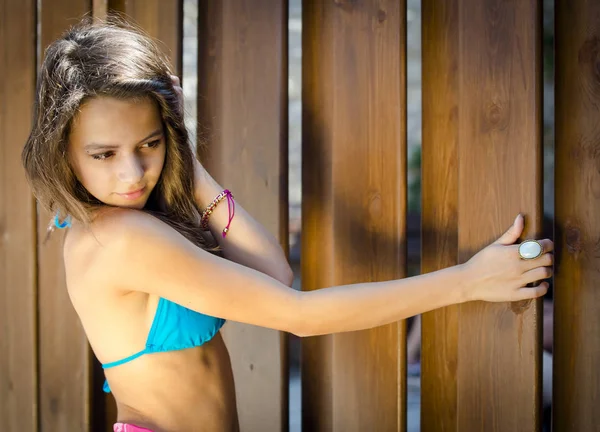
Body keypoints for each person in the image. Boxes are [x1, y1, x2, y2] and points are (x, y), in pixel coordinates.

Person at [21, 19, 554, 432]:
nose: (132, 173)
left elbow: (274, 273)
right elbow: (299, 314)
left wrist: (185, 153)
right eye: (104, 154)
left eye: (149, 144)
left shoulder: (116, 221)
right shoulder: (122, 239)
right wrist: (468, 280)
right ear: (61, 149)